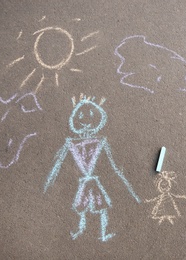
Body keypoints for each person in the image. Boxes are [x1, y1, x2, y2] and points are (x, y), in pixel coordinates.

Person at [44, 94, 140, 241]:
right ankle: (80, 230)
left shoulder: (101, 141)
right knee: (81, 208)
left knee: (101, 207)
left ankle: (102, 233)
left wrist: (127, 186)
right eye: (81, 115)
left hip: (93, 182)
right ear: (75, 118)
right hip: (85, 181)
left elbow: (112, 165)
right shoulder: (71, 143)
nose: (85, 120)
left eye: (89, 115)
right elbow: (59, 162)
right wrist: (50, 181)